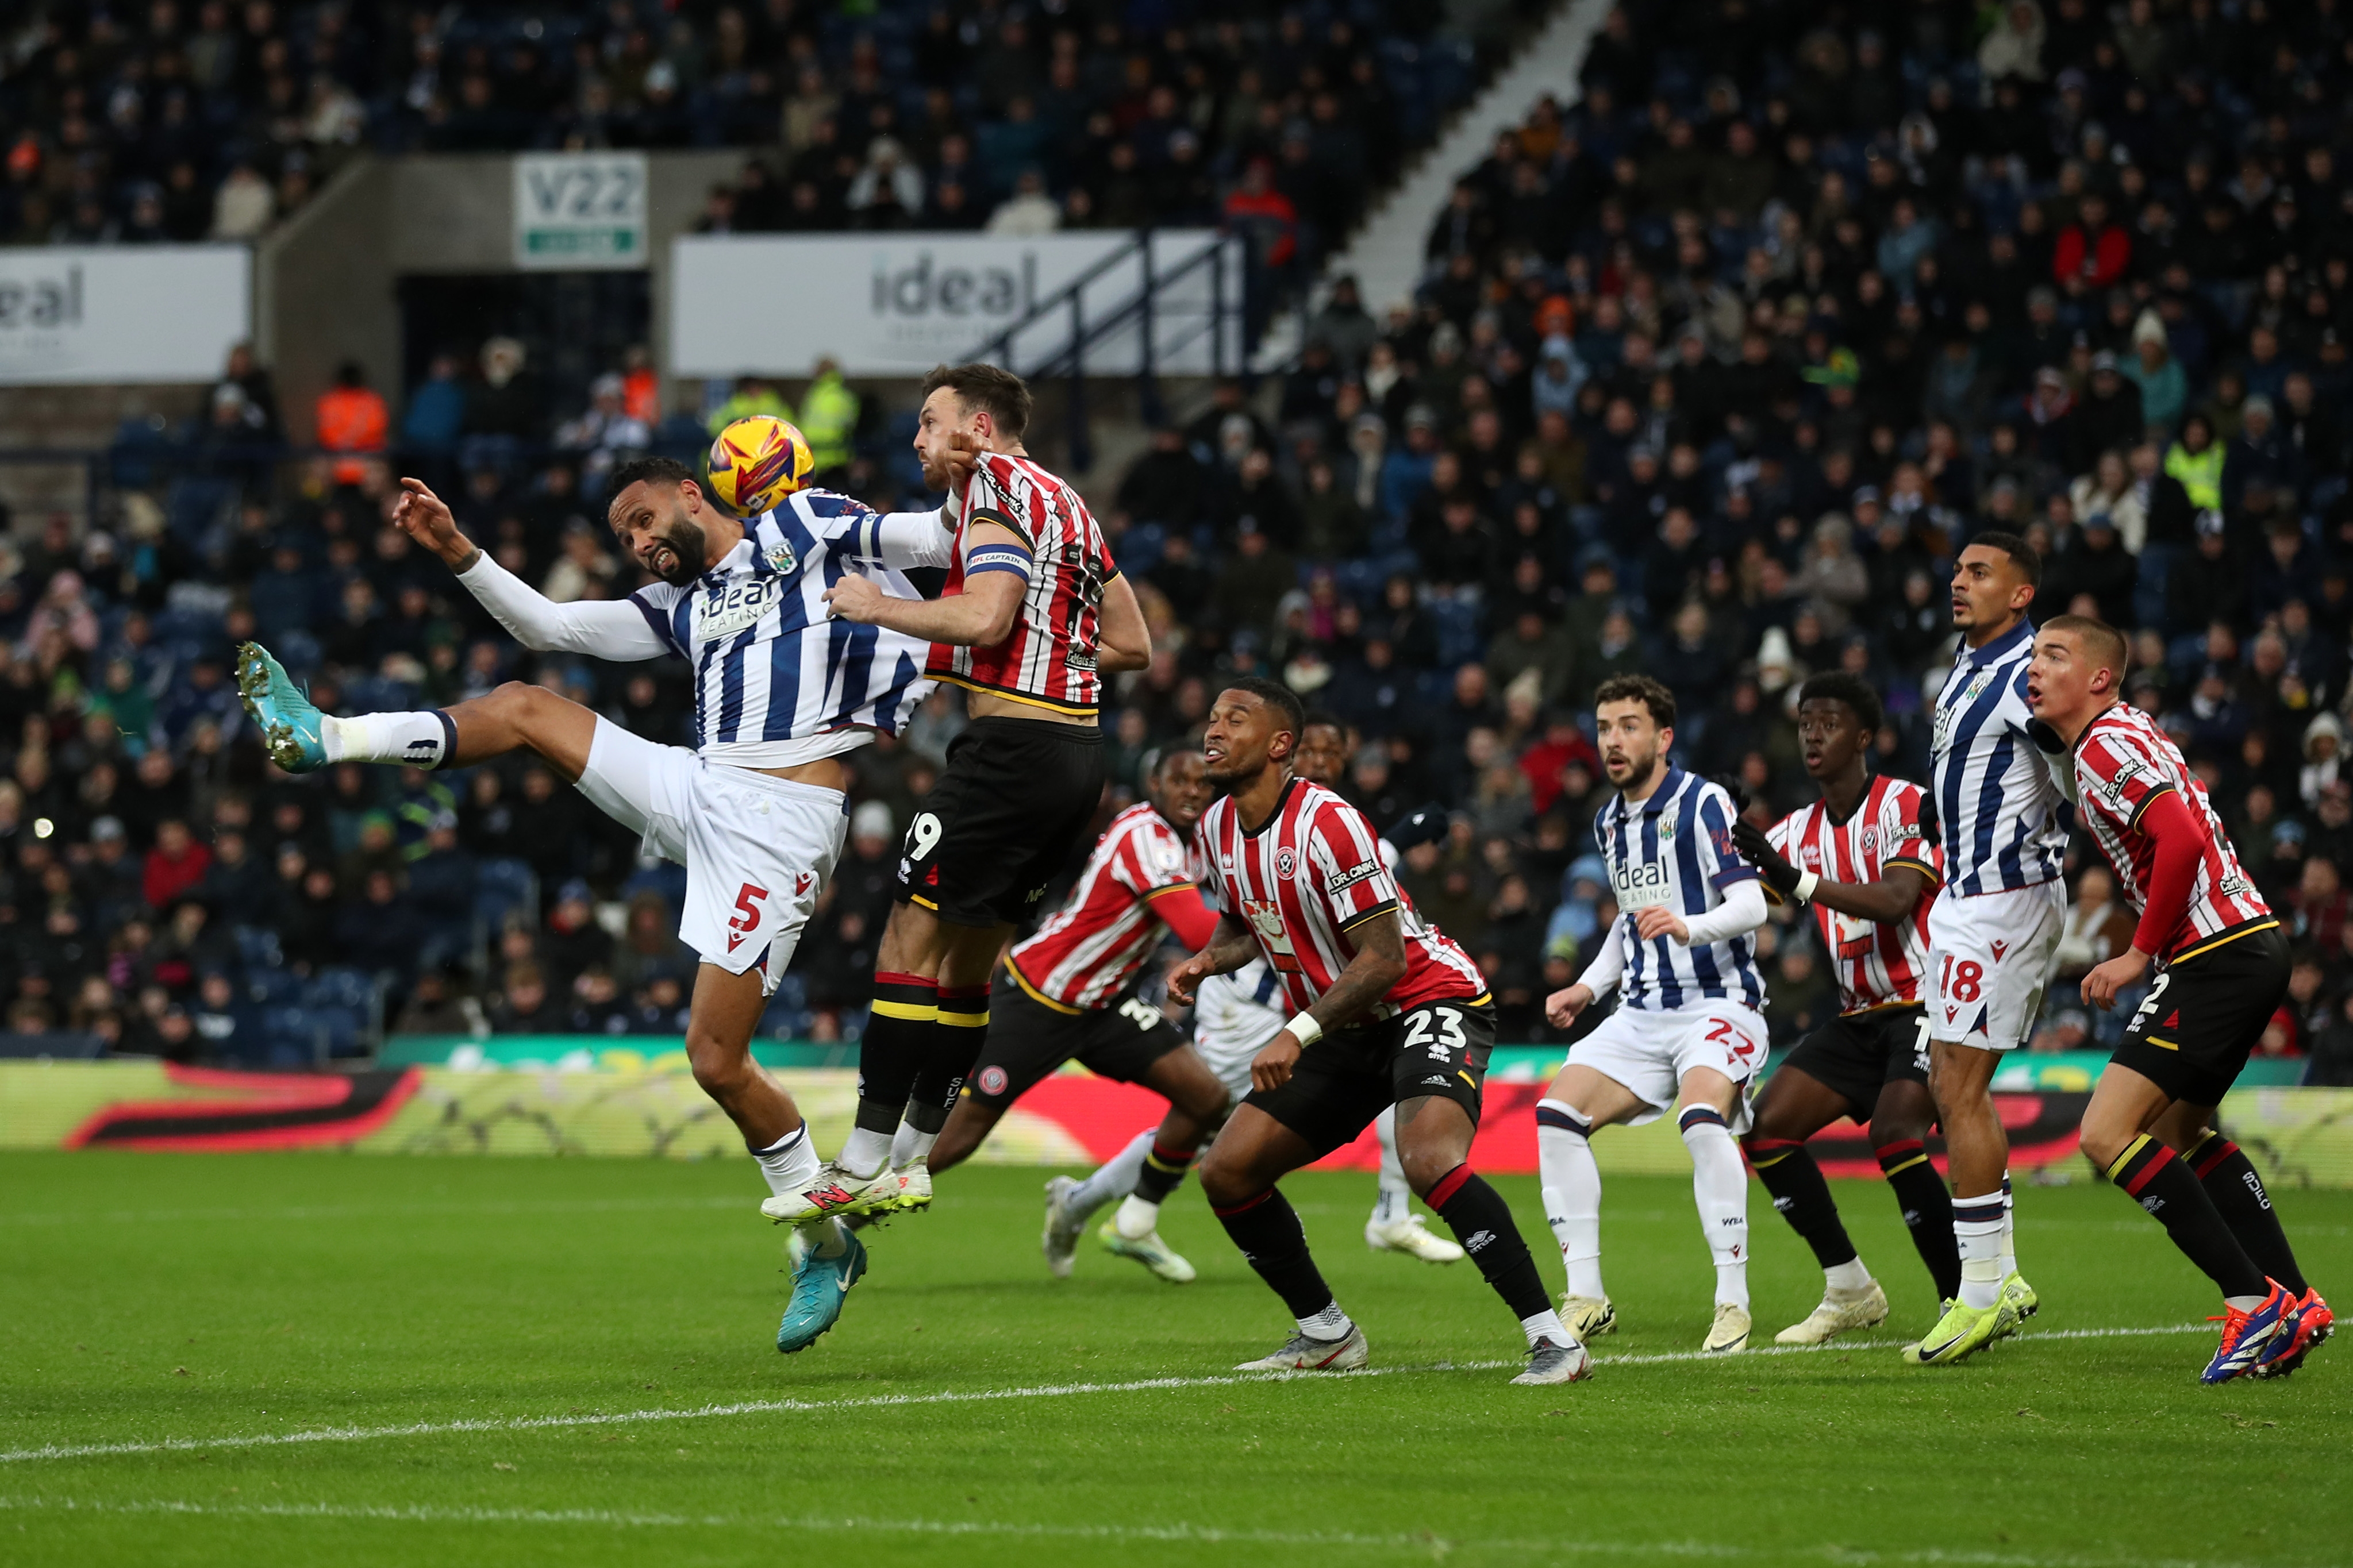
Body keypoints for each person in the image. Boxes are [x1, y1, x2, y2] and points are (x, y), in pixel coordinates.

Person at [233, 450, 951, 1356]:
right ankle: (329, 734)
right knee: (529, 704)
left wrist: (988, 489)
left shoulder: (797, 532)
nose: (641, 543)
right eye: (625, 537)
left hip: (782, 816)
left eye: (647, 520)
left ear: (694, 494)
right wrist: (455, 545)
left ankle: (824, 1245)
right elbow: (548, 623)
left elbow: (931, 539)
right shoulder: (679, 608)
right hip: (697, 783)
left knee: (716, 1060)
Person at [1171, 679, 1589, 1385]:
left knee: (1426, 1156)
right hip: (1347, 1022)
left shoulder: (1328, 824)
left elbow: (1386, 956)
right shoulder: (1214, 827)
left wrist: (1296, 1031)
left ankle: (1553, 1339)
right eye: (1210, 718)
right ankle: (1325, 1332)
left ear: (1279, 745)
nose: (1212, 731)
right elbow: (1250, 919)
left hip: (1430, 998)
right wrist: (1212, 956)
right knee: (1227, 1170)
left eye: (1234, 720)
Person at [810, 363, 1152, 1216]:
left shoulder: (993, 484)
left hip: (1011, 751)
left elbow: (985, 616)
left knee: (906, 942)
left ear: (982, 428)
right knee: (966, 961)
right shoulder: (1068, 501)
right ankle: (917, 1155)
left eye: (931, 422)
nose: (920, 440)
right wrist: (1017, 658)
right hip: (1075, 758)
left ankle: (856, 1163)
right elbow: (1132, 642)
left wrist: (872, 606)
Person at [2026, 615, 2331, 1382]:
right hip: (2250, 941)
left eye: (2053, 655)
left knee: (2105, 1134)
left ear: (2098, 677)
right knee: (2178, 1126)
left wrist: (2135, 951)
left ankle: (2249, 1302)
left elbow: (2181, 840)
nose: (2035, 667)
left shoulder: (2102, 743)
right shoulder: (2122, 733)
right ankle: (2294, 1299)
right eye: (2032, 655)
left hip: (2214, 954)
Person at [921, 748, 1229, 1281]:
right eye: (1179, 780)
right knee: (957, 1140)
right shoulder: (1144, 834)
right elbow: (1198, 931)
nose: (1192, 791)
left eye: (1203, 782)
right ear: (1152, 783)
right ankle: (836, 1226)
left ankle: (1132, 1218)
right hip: (1038, 997)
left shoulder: (1200, 842)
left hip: (1104, 1004)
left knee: (1206, 1097)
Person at [1538, 675, 1770, 1355]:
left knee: (1699, 1121)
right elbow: (1628, 922)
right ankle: (1585, 1296)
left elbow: (1751, 904)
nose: (1613, 739)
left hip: (1718, 1002)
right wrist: (1586, 986)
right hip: (1638, 1013)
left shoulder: (1703, 802)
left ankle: (1732, 1301)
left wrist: (1688, 927)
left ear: (1662, 736)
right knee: (1555, 1118)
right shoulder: (1608, 820)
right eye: (1605, 726)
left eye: (1629, 725)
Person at [1730, 672, 1960, 1343]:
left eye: (1827, 720)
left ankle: (1960, 1301)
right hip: (1859, 1013)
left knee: (1893, 1134)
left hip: (1927, 1002)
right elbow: (1746, 895)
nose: (1811, 732)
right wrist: (1713, 829)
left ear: (1863, 737)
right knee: (1765, 1128)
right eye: (1804, 720)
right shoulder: (1796, 827)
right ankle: (1849, 1286)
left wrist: (1791, 877)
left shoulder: (1904, 804)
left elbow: (1894, 901)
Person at [1909, 531, 2060, 1365]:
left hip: (2005, 901)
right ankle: (1998, 1275)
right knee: (1950, 1083)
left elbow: (2072, 767)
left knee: (1957, 1088)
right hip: (1966, 899)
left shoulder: (2026, 674)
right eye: (1958, 569)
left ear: (2020, 593)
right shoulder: (1965, 666)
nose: (1958, 582)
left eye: (1979, 573)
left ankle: (1975, 1296)